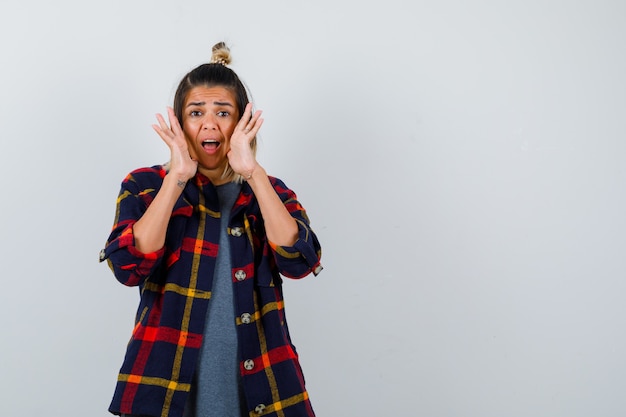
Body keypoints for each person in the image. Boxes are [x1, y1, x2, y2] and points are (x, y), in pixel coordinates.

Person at [99, 42, 323, 417]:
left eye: (223, 112)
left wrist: (253, 173)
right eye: (196, 112)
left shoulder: (269, 191)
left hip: (262, 386)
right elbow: (128, 266)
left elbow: (300, 260)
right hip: (165, 390)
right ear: (179, 123)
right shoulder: (146, 186)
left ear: (241, 123)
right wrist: (178, 178)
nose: (209, 123)